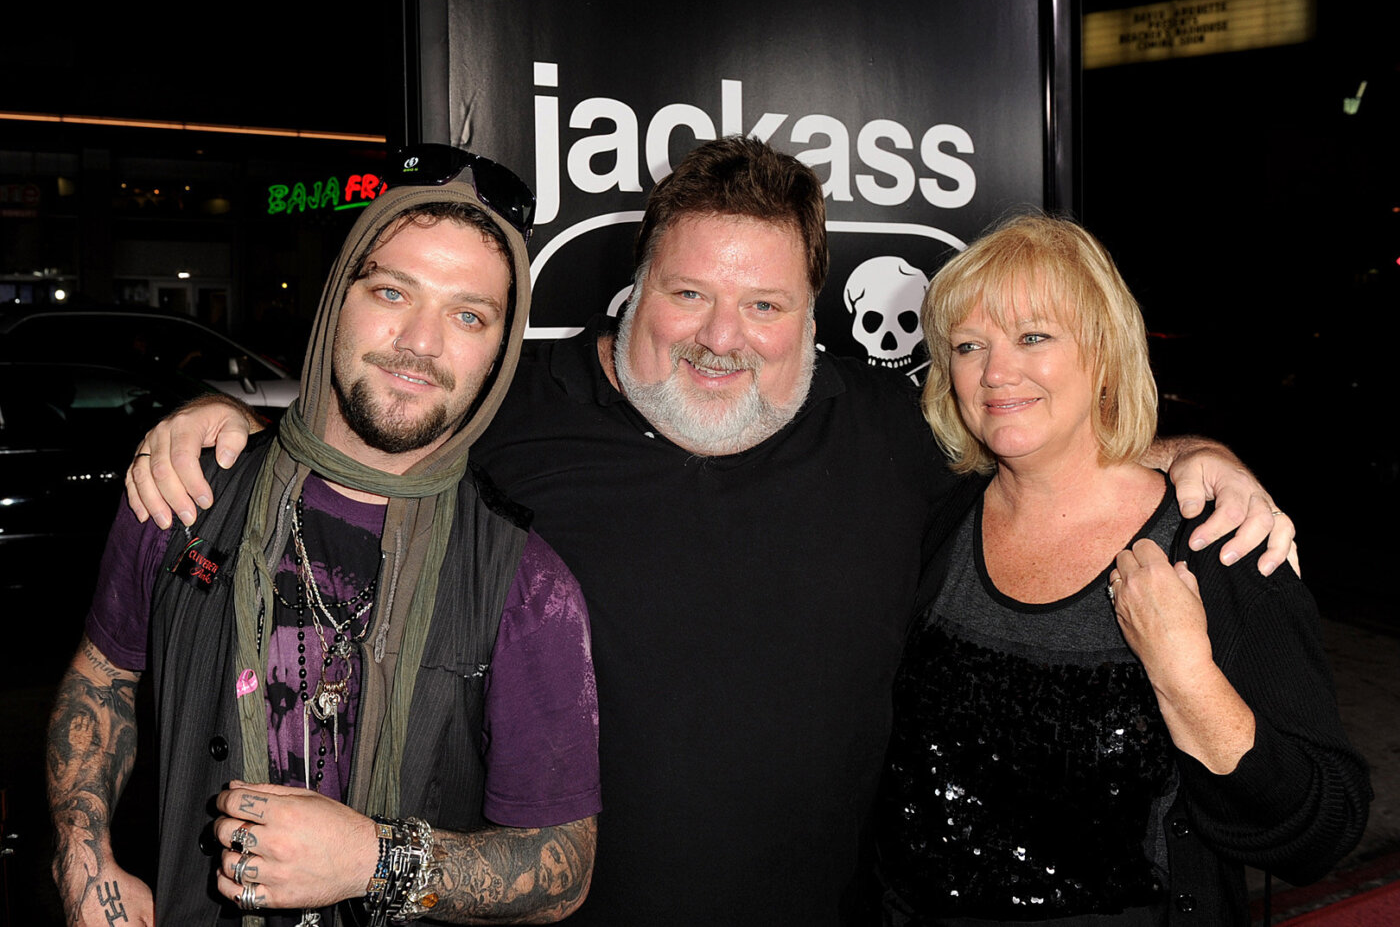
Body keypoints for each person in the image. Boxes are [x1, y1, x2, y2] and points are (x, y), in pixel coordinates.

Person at [123, 139, 1296, 926]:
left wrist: (1192, 455)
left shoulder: (890, 432)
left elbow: (1046, 447)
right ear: (638, 283)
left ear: (811, 313)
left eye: (764, 303)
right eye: (689, 293)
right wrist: (227, 420)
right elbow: (367, 422)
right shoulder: (515, 414)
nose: (721, 336)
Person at [47, 146, 600, 927]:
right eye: (392, 291)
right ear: (339, 296)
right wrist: (83, 855)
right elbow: (102, 676)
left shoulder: (528, 585)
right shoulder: (185, 489)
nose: (422, 341)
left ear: (500, 351)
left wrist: (376, 858)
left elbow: (563, 865)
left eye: (468, 315)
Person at [876, 214, 1370, 925]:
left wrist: (1187, 679)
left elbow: (1324, 829)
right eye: (968, 345)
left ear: (1103, 353)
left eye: (1033, 337)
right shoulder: (935, 520)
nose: (995, 372)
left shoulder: (1217, 544)